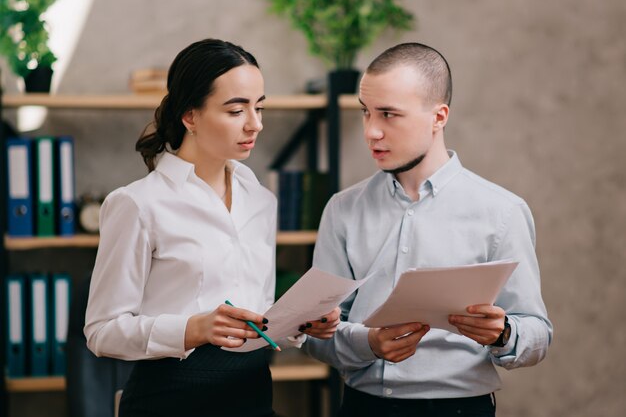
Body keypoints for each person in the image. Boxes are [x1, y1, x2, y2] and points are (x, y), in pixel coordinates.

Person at [84, 38, 339, 417]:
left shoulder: (261, 201)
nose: (256, 124)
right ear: (190, 116)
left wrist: (299, 322)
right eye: (236, 110)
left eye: (259, 107)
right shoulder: (137, 204)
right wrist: (194, 329)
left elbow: (257, 313)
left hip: (253, 395)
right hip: (170, 400)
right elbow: (102, 332)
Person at [300, 42, 553, 417]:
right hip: (360, 407)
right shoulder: (343, 209)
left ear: (439, 116)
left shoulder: (502, 212)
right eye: (366, 113)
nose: (371, 131)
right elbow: (312, 335)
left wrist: (504, 333)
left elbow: (538, 333)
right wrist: (368, 343)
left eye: (388, 114)